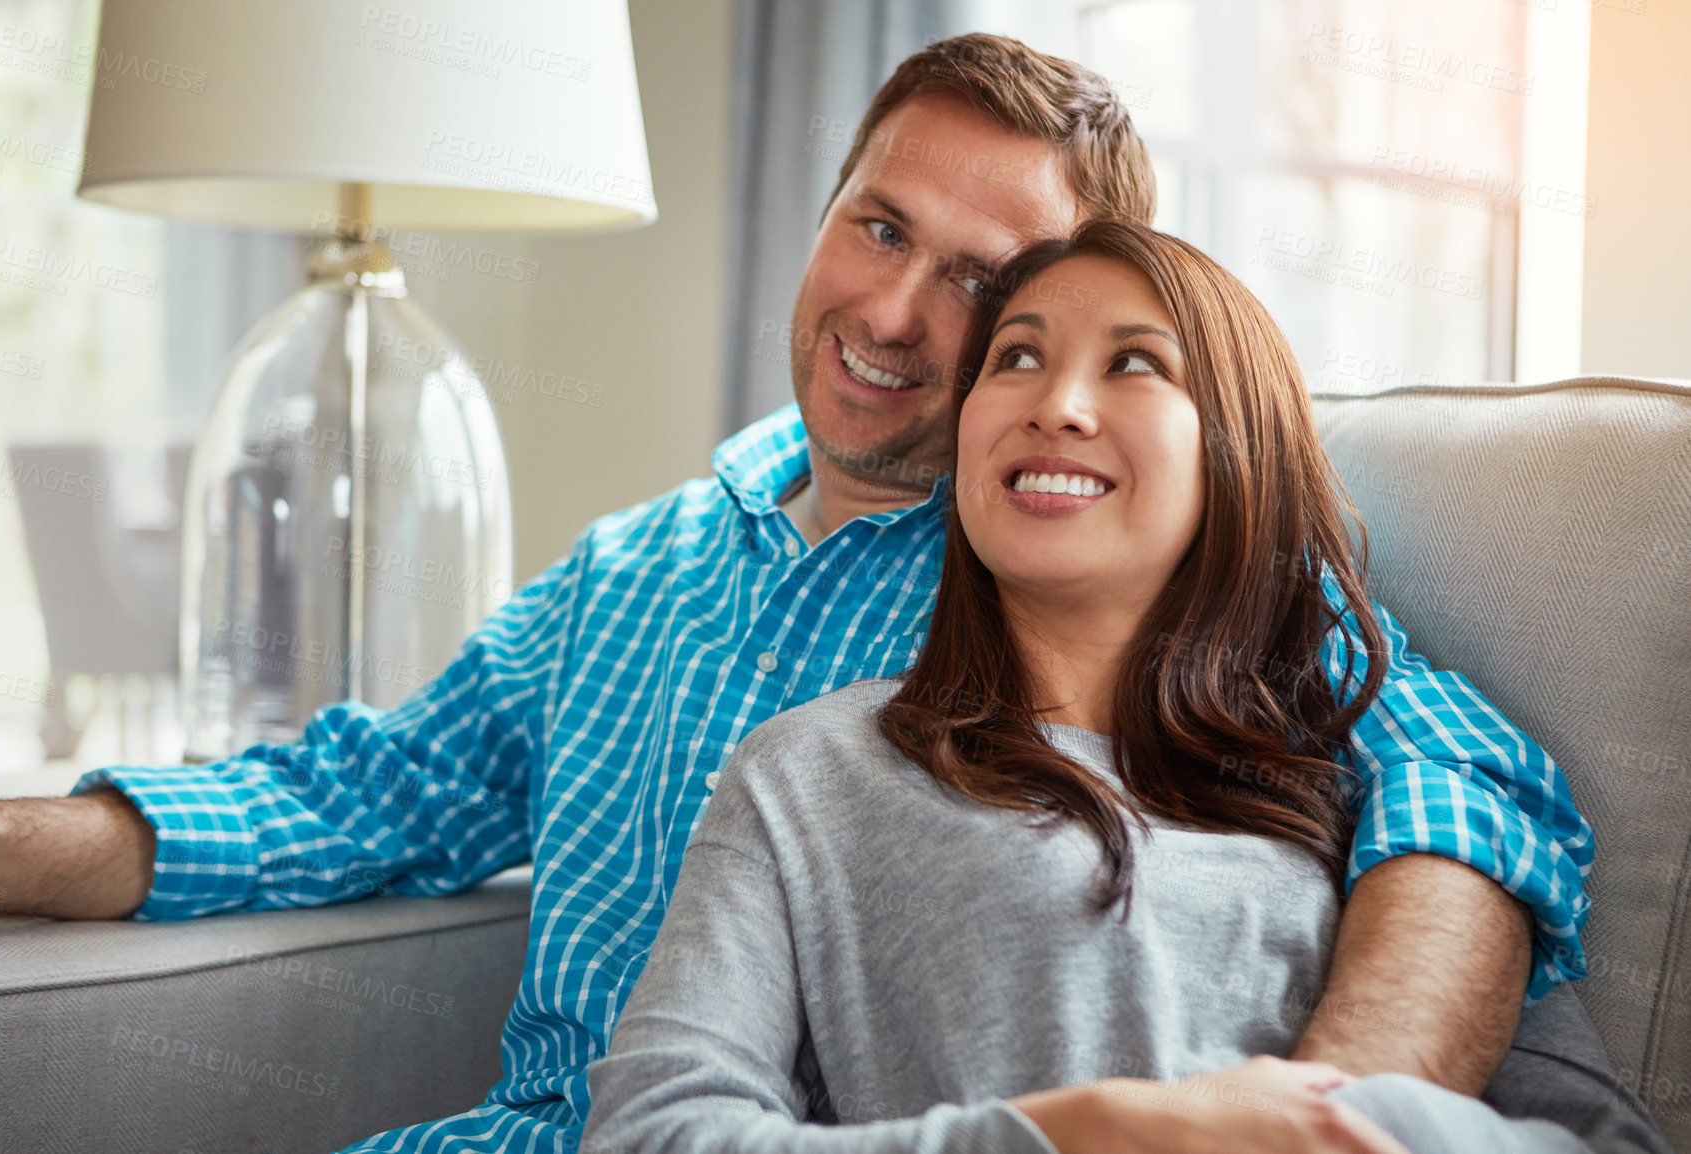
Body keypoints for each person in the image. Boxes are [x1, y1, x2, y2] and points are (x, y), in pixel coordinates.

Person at [0, 34, 1611, 1154]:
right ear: (820, 213)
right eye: (876, 224)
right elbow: (338, 795)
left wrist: (1331, 1109)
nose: (893, 310)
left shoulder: (1091, 565)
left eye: (978, 280)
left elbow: (1463, 785)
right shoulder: (627, 571)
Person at [577, 220, 1620, 1154]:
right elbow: (652, 1130)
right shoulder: (810, 771)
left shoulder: (1364, 780)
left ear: (1233, 457)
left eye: (1134, 365)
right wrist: (1082, 1129)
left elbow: (1585, 1126)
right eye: (1017, 356)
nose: (1057, 406)